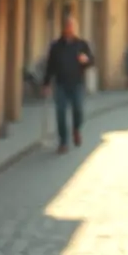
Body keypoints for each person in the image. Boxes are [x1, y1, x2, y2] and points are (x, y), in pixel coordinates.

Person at [42, 16, 95, 154]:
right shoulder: (56, 46)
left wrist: (86, 60)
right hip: (60, 85)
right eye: (68, 26)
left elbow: (92, 61)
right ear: (64, 28)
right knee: (60, 113)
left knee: (78, 110)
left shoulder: (82, 44)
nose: (70, 29)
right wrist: (46, 83)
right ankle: (63, 141)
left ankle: (76, 129)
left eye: (72, 26)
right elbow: (50, 66)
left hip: (77, 84)